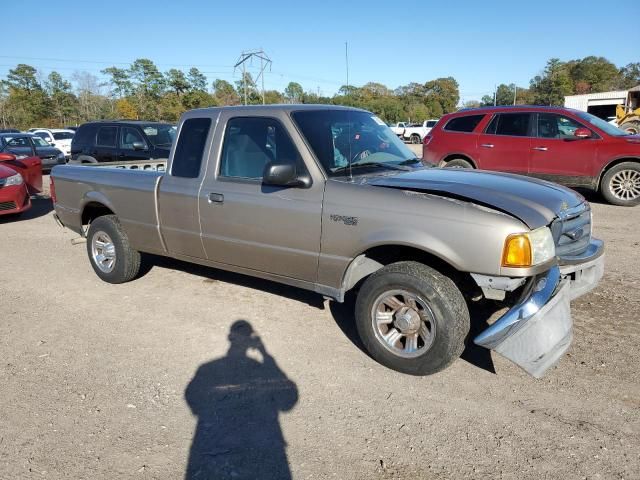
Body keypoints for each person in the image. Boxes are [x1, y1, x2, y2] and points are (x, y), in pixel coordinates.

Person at [185, 320, 298, 479]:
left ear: (230, 337)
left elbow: (192, 396)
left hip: (217, 440)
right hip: (257, 443)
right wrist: (265, 354)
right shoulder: (257, 367)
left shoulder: (207, 368)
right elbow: (288, 401)